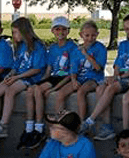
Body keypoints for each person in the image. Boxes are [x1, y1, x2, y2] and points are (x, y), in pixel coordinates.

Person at [21, 16, 84, 149]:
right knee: (32, 89)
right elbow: (49, 69)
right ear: (52, 31)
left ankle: (39, 128)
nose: (60, 32)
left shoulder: (72, 47)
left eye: (63, 29)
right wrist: (41, 81)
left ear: (68, 31)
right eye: (57, 29)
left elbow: (71, 72)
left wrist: (53, 89)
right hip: (54, 77)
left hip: (64, 78)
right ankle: (29, 126)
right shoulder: (53, 48)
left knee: (38, 90)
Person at [87, 13, 129, 141]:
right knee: (100, 89)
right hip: (120, 77)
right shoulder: (124, 44)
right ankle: (107, 126)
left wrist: (119, 78)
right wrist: (115, 76)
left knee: (110, 88)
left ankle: (91, 119)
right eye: (127, 29)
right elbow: (118, 64)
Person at [0, 17, 47, 141]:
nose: (13, 35)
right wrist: (11, 74)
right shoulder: (20, 46)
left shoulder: (37, 46)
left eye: (15, 32)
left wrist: (17, 77)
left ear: (24, 31)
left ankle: (4, 125)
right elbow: (16, 65)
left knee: (10, 90)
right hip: (18, 75)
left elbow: (37, 69)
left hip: (31, 78)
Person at [76, 21, 108, 135]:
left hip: (94, 78)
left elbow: (98, 68)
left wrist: (86, 54)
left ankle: (82, 122)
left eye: (93, 35)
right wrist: (73, 80)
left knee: (81, 92)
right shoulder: (78, 49)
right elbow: (73, 68)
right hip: (80, 77)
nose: (90, 38)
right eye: (87, 35)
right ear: (81, 35)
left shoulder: (100, 48)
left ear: (97, 34)